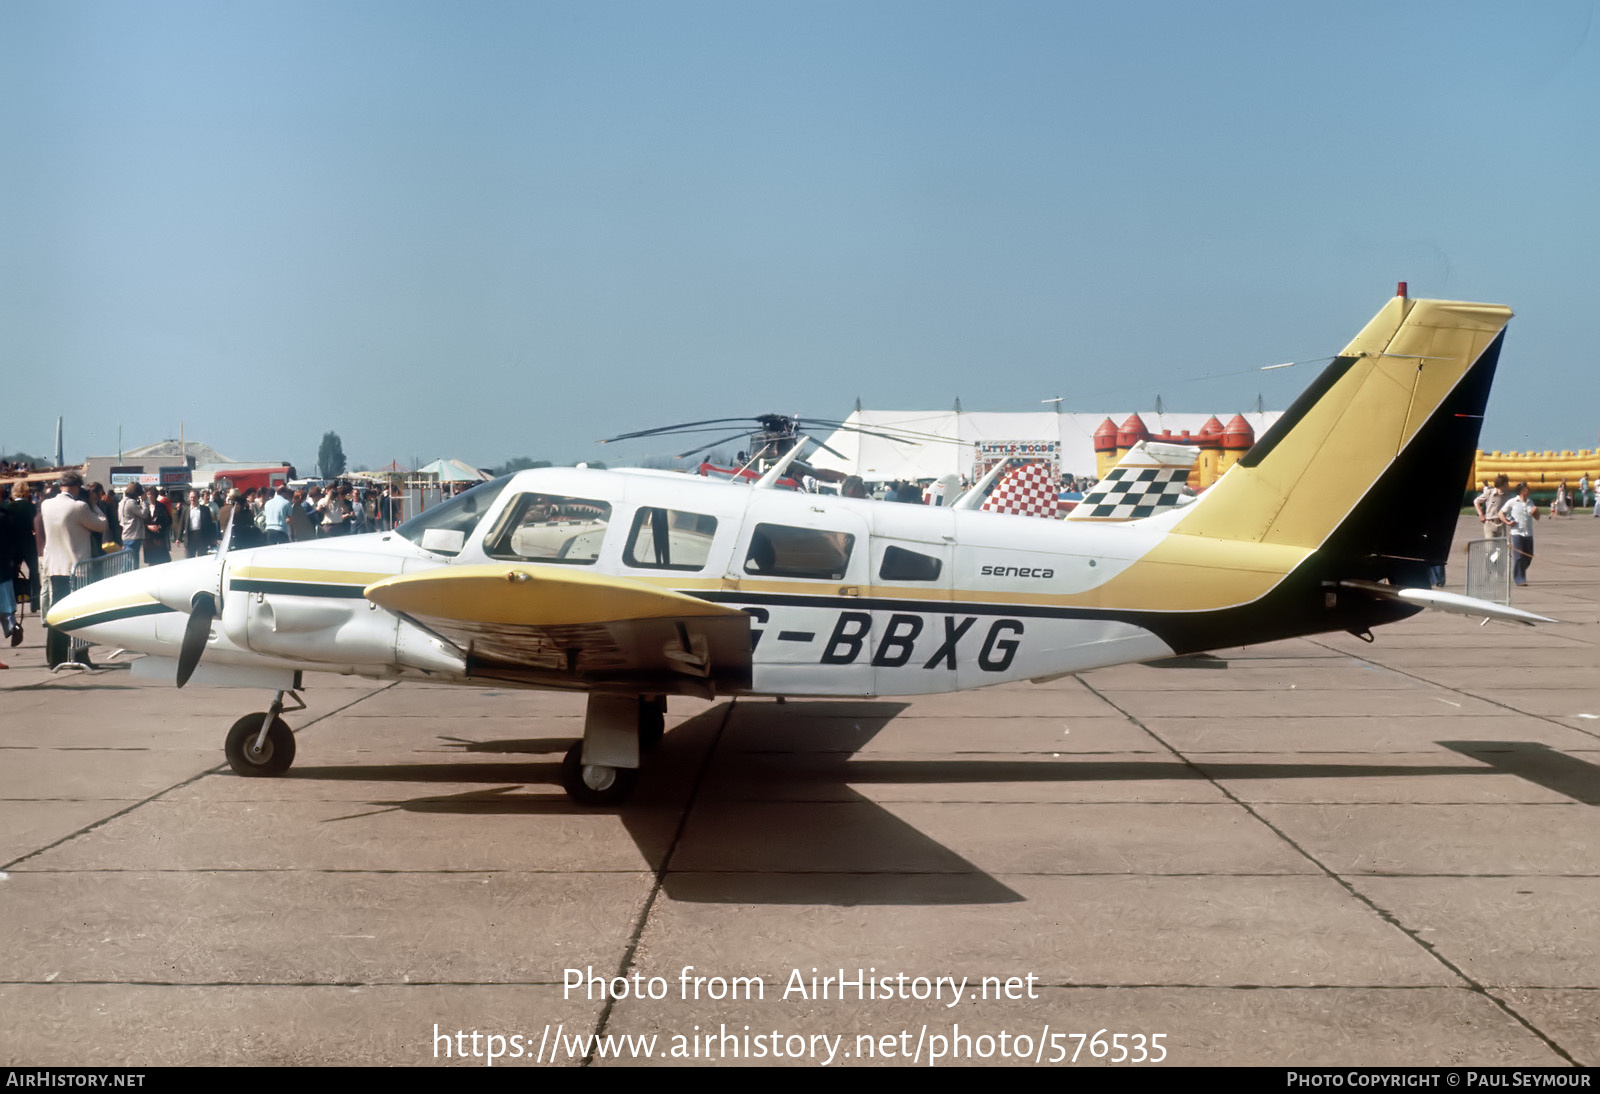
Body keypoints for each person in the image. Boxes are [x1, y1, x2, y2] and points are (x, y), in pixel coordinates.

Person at [38, 470, 108, 667]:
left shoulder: (46, 505)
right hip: (77, 567)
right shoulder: (79, 507)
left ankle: (55, 657)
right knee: (79, 613)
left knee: (57, 612)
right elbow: (102, 525)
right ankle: (80, 655)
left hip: (54, 566)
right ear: (77, 487)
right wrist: (94, 504)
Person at [1500, 482, 1537, 586]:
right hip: (1517, 533)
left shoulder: (1530, 502)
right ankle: (1520, 579)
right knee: (1519, 556)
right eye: (1527, 488)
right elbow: (1501, 513)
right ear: (1522, 491)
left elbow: (1537, 517)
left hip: (1528, 533)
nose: (1529, 490)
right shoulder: (1512, 502)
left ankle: (1519, 572)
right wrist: (1507, 522)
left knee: (1529, 557)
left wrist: (1535, 512)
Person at [118, 483, 147, 565]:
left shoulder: (121, 502)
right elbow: (144, 514)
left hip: (126, 534)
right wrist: (144, 501)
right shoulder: (131, 502)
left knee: (128, 561)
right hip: (134, 535)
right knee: (132, 563)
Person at [1474, 474, 1509, 539]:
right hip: (1490, 523)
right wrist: (1481, 514)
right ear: (1502, 484)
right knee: (1490, 547)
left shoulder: (1507, 496)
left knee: (1501, 547)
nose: (1508, 485)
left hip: (1501, 524)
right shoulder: (1490, 493)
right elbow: (1476, 501)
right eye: (1507, 483)